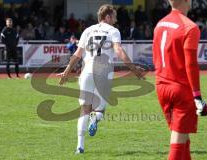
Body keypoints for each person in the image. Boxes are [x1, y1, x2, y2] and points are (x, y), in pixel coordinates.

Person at [57, 4, 146, 154]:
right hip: (103, 71)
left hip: (86, 71)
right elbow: (118, 51)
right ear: (108, 17)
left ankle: (80, 146)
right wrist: (134, 69)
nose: (116, 19)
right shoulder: (113, 31)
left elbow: (77, 54)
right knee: (100, 109)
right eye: (115, 16)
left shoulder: (87, 30)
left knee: (84, 109)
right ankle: (95, 118)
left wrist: (66, 72)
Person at [152, 0, 207, 159]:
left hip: (161, 86)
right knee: (178, 143)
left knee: (182, 138)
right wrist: (197, 96)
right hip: (180, 90)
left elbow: (155, 56)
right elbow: (191, 64)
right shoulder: (190, 27)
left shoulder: (160, 24)